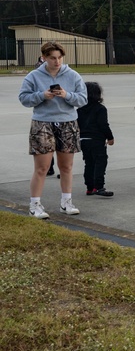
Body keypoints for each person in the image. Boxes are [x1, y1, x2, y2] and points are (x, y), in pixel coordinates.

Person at [19, 41, 87, 218]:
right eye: (52, 58)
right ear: (44, 58)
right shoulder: (34, 76)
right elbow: (24, 98)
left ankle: (66, 202)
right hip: (43, 122)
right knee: (42, 167)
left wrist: (66, 95)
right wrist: (42, 96)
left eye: (59, 58)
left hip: (68, 122)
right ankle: (35, 204)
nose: (57, 61)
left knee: (66, 166)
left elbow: (82, 99)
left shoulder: (72, 75)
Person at [78, 81, 115, 197]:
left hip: (83, 139)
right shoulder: (100, 109)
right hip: (97, 140)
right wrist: (110, 137)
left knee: (88, 163)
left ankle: (89, 187)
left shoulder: (79, 109)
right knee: (100, 162)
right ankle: (99, 186)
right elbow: (103, 124)